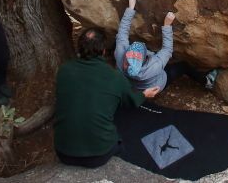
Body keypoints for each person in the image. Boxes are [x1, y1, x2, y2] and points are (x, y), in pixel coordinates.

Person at [54, 28, 160, 168]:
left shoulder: (64, 70)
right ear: (103, 50)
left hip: (63, 152)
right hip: (98, 154)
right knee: (123, 141)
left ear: (79, 46)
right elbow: (132, 100)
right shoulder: (114, 76)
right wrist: (145, 94)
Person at [115, 0, 217, 92]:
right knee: (184, 66)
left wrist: (130, 9)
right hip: (157, 85)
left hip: (133, 85)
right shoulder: (155, 65)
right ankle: (207, 82)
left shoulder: (120, 56)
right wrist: (167, 25)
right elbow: (167, 50)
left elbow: (122, 34)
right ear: (145, 59)